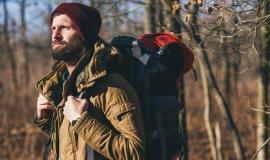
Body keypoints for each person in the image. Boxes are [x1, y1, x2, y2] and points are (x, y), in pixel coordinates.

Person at [34, 3, 145, 160]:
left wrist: (82, 121)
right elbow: (75, 144)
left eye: (64, 28)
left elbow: (134, 153)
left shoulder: (112, 87)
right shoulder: (65, 84)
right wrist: (47, 119)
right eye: (53, 28)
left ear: (83, 34)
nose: (55, 35)